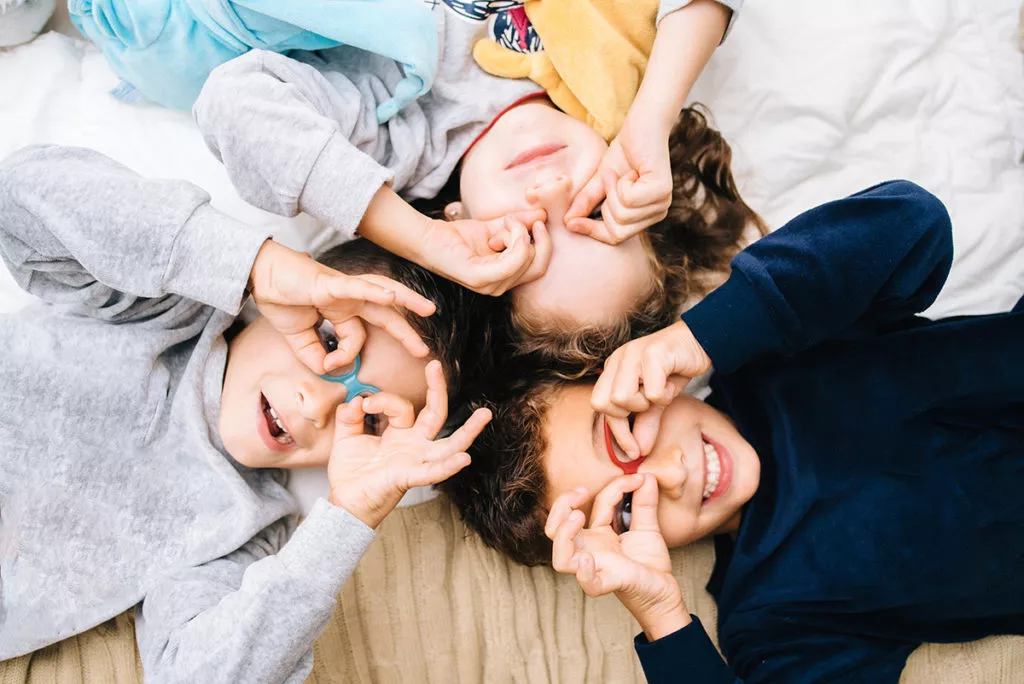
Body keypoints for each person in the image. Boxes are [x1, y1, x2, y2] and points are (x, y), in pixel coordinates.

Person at [441, 180, 1024, 682]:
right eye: (622, 512)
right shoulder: (776, 617)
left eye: (621, 438)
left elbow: (913, 222)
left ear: (618, 374)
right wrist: (662, 613)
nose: (670, 474)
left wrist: (698, 337)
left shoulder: (771, 343)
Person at [0, 145, 493, 682]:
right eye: (331, 338)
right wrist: (254, 265)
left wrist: (348, 517)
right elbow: (21, 195)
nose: (320, 404)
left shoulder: (245, 529)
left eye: (370, 417)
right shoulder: (158, 307)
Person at [192, 0, 753, 358]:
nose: (549, 191)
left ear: (463, 233)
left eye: (528, 237)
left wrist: (420, 238)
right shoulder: (620, 87)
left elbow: (233, 102)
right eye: (596, 211)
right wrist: (653, 115)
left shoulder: (401, 139)